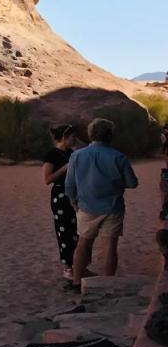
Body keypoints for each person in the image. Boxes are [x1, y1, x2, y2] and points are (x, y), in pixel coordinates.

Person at [65, 118, 139, 287]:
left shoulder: (77, 155)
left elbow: (69, 184)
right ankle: (107, 284)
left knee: (83, 242)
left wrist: (72, 201)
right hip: (113, 206)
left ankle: (77, 281)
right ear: (110, 136)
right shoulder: (118, 157)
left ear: (91, 134)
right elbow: (132, 183)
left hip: (85, 206)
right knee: (110, 246)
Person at [42, 125, 80, 281]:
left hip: (74, 195)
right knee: (64, 230)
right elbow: (47, 179)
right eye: (72, 137)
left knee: (76, 230)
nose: (75, 140)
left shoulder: (71, 153)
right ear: (64, 137)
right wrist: (66, 167)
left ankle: (77, 264)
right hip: (60, 195)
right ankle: (67, 267)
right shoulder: (52, 154)